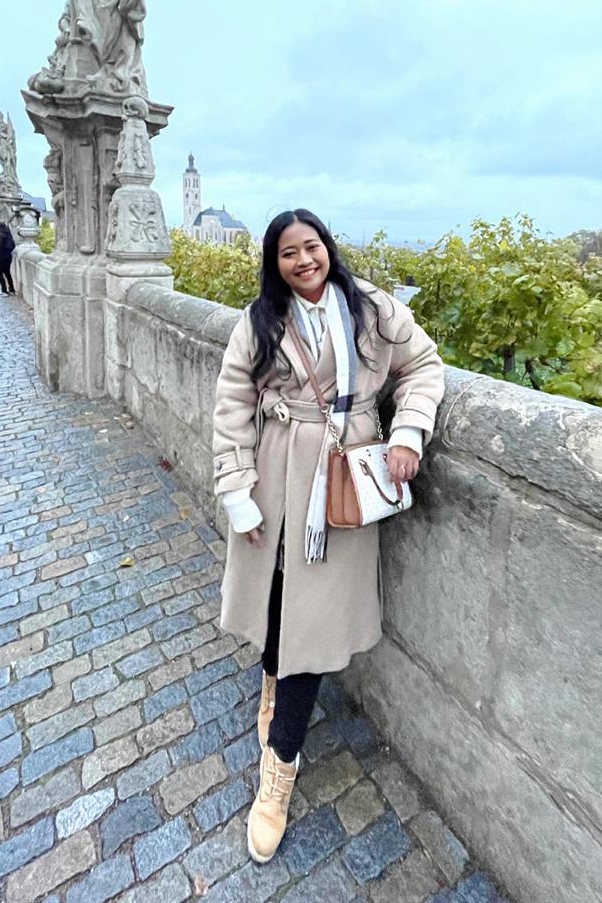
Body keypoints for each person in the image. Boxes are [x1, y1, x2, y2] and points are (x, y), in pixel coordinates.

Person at [212, 209, 445, 865]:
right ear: (275, 262)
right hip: (277, 470)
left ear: (326, 247)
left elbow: (424, 366)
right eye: (288, 252)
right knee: (278, 590)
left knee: (311, 622)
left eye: (310, 246)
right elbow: (231, 403)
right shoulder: (259, 320)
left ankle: (279, 766)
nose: (303, 260)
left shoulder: (371, 307)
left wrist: (408, 431)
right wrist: (236, 488)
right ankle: (270, 679)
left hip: (343, 477)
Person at [0, 222, 16, 295]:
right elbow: (13, 245)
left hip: (1, 256)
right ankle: (12, 289)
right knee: (7, 273)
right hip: (8, 256)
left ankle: (4, 290)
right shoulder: (9, 235)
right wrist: (8, 251)